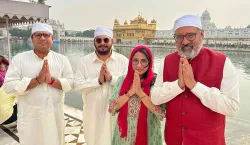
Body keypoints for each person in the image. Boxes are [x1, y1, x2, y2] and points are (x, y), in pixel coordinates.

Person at [151, 15, 240, 145]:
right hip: (174, 140)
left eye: (190, 35)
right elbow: (155, 98)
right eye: (179, 37)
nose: (185, 41)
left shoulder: (222, 62)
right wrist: (178, 85)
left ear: (202, 34)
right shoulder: (167, 61)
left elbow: (232, 108)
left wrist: (194, 86)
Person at [3, 23, 74, 145]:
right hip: (30, 118)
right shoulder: (19, 59)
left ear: (52, 38)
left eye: (46, 35)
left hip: (55, 116)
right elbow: (8, 87)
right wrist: (37, 81)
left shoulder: (62, 59)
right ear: (32, 38)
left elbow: (72, 84)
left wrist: (51, 81)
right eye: (38, 35)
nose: (42, 38)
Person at [74, 26, 129, 145]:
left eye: (106, 40)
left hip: (116, 114)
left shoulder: (123, 61)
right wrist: (97, 81)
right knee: (94, 140)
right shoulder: (84, 62)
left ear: (112, 41)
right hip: (92, 113)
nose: (102, 43)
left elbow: (129, 86)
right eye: (98, 40)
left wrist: (111, 79)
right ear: (94, 41)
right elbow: (77, 86)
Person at [109, 45, 165, 145]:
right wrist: (130, 92)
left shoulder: (156, 82)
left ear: (150, 63)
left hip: (149, 136)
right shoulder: (122, 80)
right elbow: (112, 108)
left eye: (143, 61)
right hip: (124, 138)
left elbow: (161, 114)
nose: (139, 65)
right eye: (135, 60)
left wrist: (140, 92)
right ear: (130, 62)